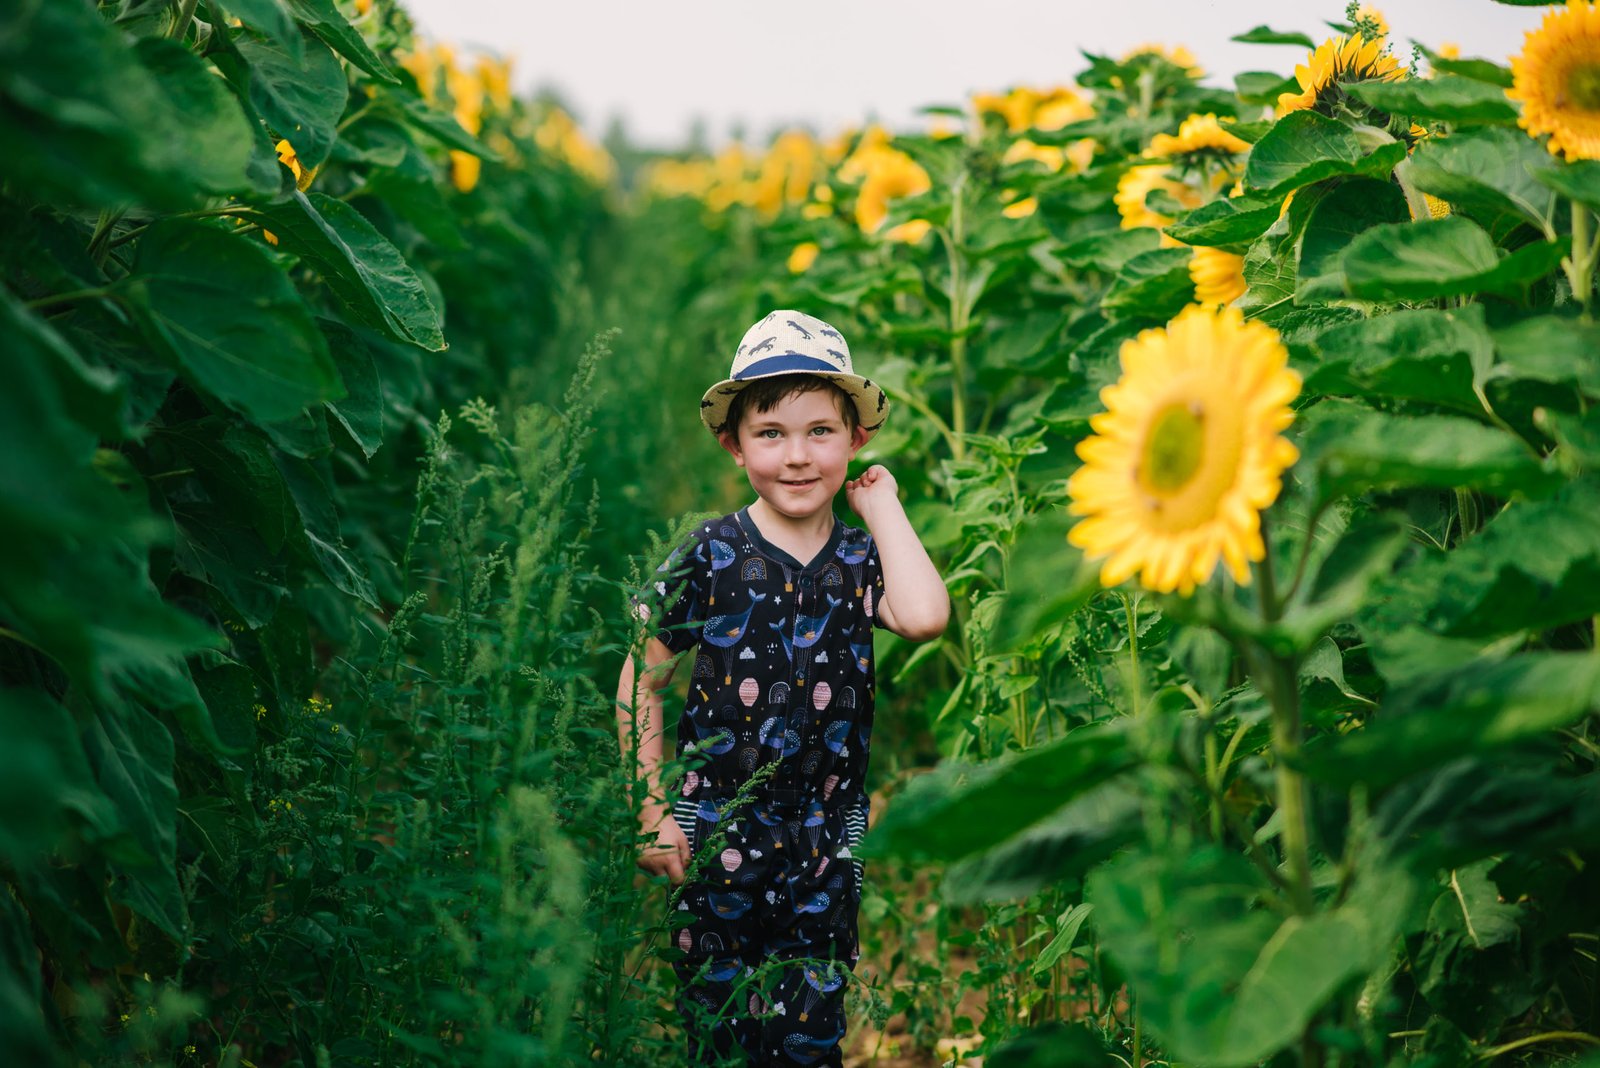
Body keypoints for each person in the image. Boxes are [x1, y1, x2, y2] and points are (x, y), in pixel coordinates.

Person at [614, 309, 949, 1066]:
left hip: (828, 839)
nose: (797, 457)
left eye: (821, 432)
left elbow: (926, 615)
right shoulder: (710, 553)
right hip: (716, 827)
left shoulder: (862, 560)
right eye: (771, 434)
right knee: (720, 1027)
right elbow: (643, 673)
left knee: (810, 1033)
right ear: (734, 445)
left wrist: (883, 503)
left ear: (856, 440)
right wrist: (649, 803)